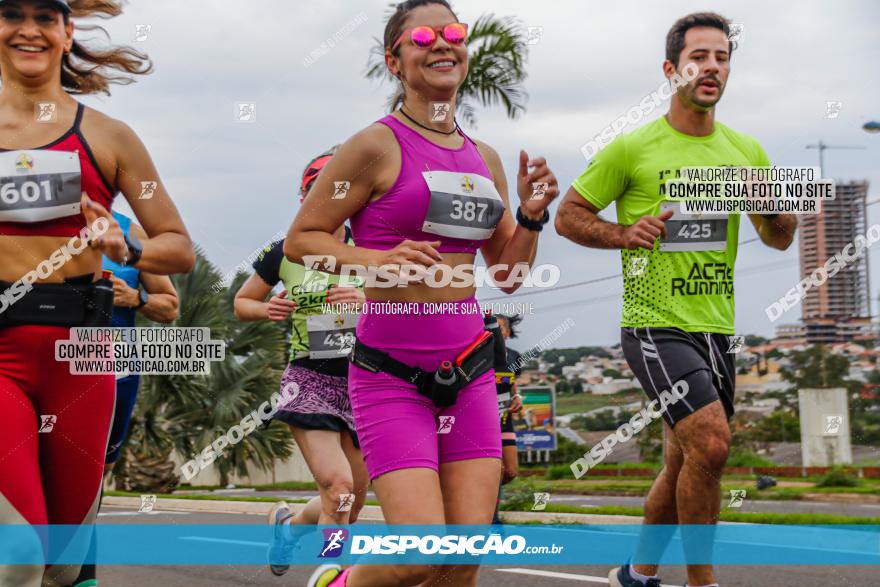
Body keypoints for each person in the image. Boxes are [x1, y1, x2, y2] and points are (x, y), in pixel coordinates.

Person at [284, 1, 559, 584]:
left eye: (454, 34)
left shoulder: (483, 159)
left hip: (468, 371)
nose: (442, 44)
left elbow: (507, 275)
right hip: (391, 376)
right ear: (394, 60)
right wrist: (374, 259)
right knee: (417, 553)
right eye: (423, 37)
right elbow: (301, 240)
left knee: (462, 558)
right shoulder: (372, 146)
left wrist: (533, 219)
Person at [555, 12, 796, 587]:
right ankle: (702, 580)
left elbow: (778, 236)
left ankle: (637, 572)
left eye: (722, 57)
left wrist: (775, 203)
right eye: (699, 57)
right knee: (712, 445)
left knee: (684, 460)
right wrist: (624, 233)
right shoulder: (633, 148)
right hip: (653, 323)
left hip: (716, 326)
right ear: (672, 70)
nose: (712, 67)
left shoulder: (747, 152)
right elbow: (568, 216)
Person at [0, 1, 194, 585]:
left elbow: (178, 246)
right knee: (21, 559)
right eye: (11, 13)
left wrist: (127, 249)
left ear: (66, 32)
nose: (28, 29)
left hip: (83, 355)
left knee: (63, 569)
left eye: (44, 16)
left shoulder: (110, 137)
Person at [233, 148, 368, 577]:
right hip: (310, 376)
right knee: (339, 487)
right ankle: (333, 577)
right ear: (306, 198)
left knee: (349, 502)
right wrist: (267, 309)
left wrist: (369, 302)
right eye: (318, 192)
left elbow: (410, 307)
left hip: (369, 381)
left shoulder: (373, 250)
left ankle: (289, 529)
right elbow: (242, 302)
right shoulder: (284, 251)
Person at [74, 210, 179, 587]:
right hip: (38, 361)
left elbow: (170, 306)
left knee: (92, 475)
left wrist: (135, 297)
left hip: (114, 367)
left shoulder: (129, 230)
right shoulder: (27, 223)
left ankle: (81, 574)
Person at [491, 314, 523, 525]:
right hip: (482, 413)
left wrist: (517, 396)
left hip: (504, 414)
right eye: (494, 326)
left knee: (510, 471)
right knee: (494, 468)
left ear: (509, 332)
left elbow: (510, 382)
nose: (498, 330)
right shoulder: (481, 354)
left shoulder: (514, 357)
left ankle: (484, 502)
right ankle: (491, 517)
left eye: (502, 327)